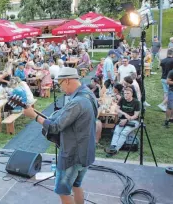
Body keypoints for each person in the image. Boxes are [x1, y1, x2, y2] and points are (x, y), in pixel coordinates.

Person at [22, 67, 97, 204]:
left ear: (67, 80)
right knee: (76, 185)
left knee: (63, 192)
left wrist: (34, 116)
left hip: (72, 155)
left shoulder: (76, 102)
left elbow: (55, 127)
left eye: (60, 84)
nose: (61, 88)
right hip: (86, 152)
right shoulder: (89, 94)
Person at [105, 87, 140, 156]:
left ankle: (115, 150)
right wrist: (125, 114)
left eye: (128, 93)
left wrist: (127, 120)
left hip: (133, 121)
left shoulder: (136, 102)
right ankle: (113, 146)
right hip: (122, 119)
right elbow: (117, 109)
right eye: (124, 93)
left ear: (132, 94)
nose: (126, 95)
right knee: (116, 132)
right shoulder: (122, 99)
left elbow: (135, 116)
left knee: (124, 133)